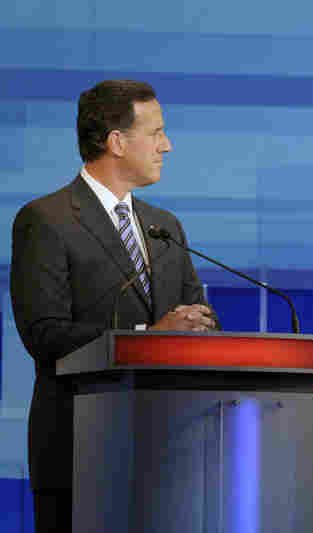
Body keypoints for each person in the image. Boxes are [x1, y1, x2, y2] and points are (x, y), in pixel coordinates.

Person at [10, 80, 218, 533]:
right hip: (81, 452)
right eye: (156, 132)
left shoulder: (165, 227)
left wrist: (199, 328)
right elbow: (44, 334)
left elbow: (198, 317)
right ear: (116, 141)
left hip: (169, 455)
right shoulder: (46, 220)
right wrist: (149, 337)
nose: (167, 145)